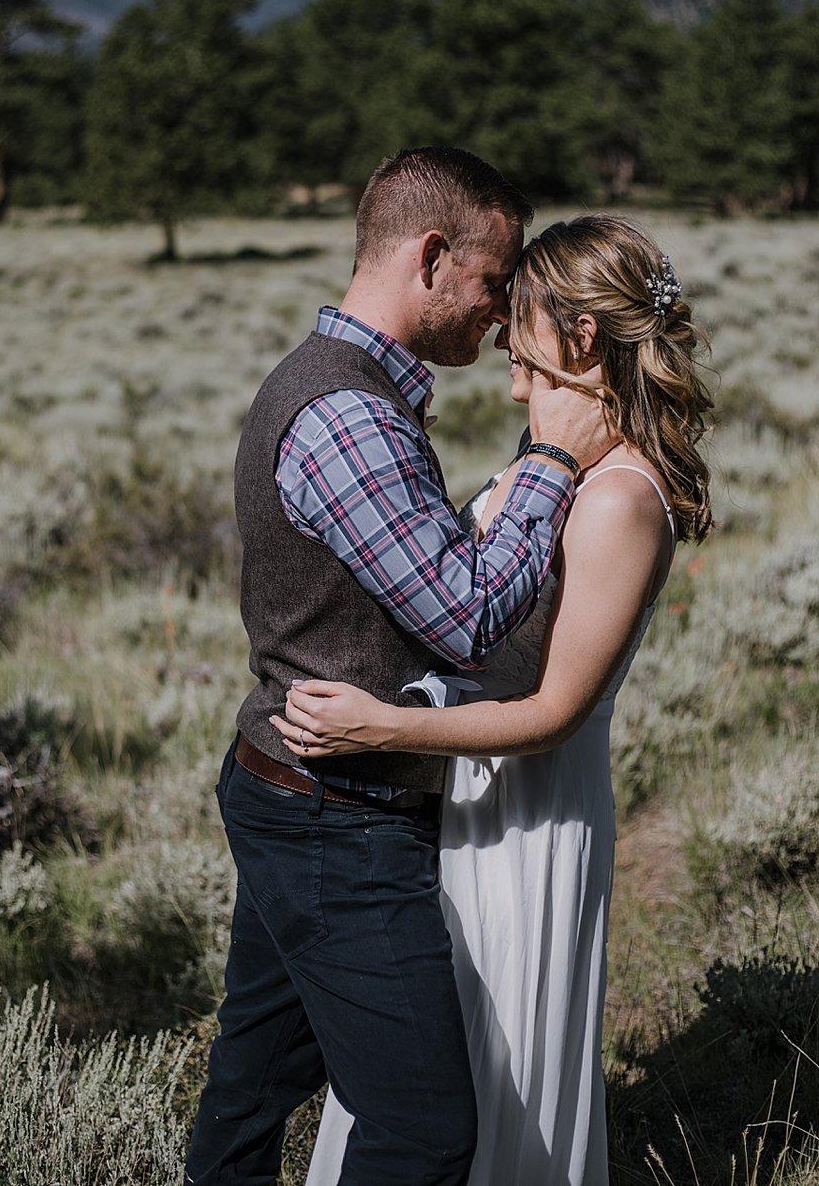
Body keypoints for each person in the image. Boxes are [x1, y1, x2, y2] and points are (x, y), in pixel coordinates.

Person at [184, 150, 617, 1186]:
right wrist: (554, 462)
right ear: (430, 256)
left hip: (302, 793)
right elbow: (464, 616)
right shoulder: (346, 414)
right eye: (492, 277)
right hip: (338, 812)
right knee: (422, 1129)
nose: (502, 310)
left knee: (253, 1083)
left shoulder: (347, 392)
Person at [272, 214, 714, 1186]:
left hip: (527, 820)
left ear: (582, 336)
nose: (508, 363)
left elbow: (557, 709)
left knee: (493, 1069)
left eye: (522, 338)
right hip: (466, 797)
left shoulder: (619, 499)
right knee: (431, 1068)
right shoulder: (562, 460)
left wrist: (386, 726)